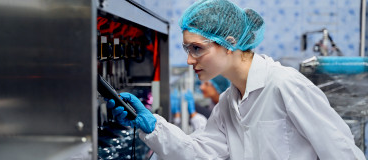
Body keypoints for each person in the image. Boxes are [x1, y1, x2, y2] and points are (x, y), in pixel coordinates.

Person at [106, 0, 366, 159]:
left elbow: (342, 153)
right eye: (188, 50)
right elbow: (200, 154)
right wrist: (153, 127)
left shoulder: (285, 85)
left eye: (197, 49)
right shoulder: (229, 102)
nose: (189, 60)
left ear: (229, 44)